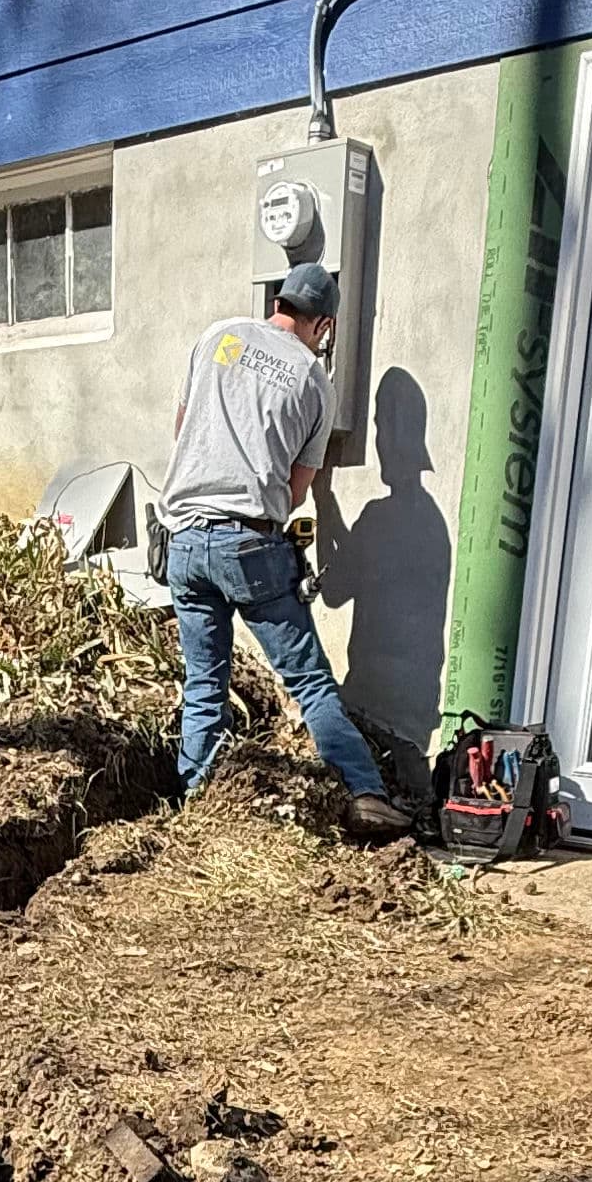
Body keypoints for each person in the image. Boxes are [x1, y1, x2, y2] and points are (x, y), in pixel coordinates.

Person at [162, 263, 411, 842]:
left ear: (277, 303)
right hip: (249, 544)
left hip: (184, 539)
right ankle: (366, 793)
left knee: (204, 682)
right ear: (323, 325)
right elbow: (297, 491)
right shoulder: (313, 380)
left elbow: (183, 431)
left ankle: (193, 805)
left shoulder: (217, 337)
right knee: (310, 683)